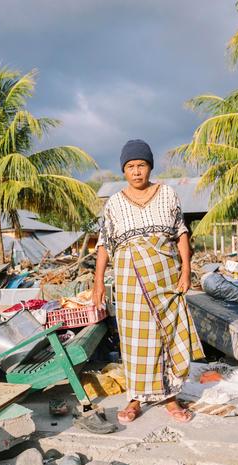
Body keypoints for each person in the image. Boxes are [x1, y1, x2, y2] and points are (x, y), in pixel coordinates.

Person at [92, 139, 205, 424]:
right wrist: (98, 283)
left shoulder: (167, 194)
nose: (136, 171)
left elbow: (181, 233)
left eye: (141, 165)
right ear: (124, 170)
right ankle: (135, 398)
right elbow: (104, 244)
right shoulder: (114, 203)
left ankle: (170, 398)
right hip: (130, 281)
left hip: (165, 277)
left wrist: (186, 270)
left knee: (168, 334)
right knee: (134, 340)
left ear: (149, 167)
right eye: (130, 166)